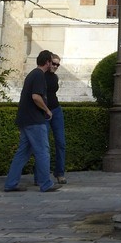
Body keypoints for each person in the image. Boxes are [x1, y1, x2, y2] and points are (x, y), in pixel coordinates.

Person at [3, 51, 60, 193]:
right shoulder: (39, 75)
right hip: (35, 119)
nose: (52, 64)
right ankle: (45, 183)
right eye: (51, 61)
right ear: (47, 62)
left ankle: (11, 183)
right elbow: (36, 97)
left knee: (23, 152)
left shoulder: (32, 74)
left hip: (25, 119)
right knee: (43, 151)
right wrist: (47, 110)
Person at [47, 53, 67, 186]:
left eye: (58, 65)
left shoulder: (55, 77)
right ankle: (41, 175)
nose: (55, 66)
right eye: (54, 63)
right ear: (48, 62)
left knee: (61, 142)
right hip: (44, 112)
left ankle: (60, 173)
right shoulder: (39, 76)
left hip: (56, 110)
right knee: (44, 144)